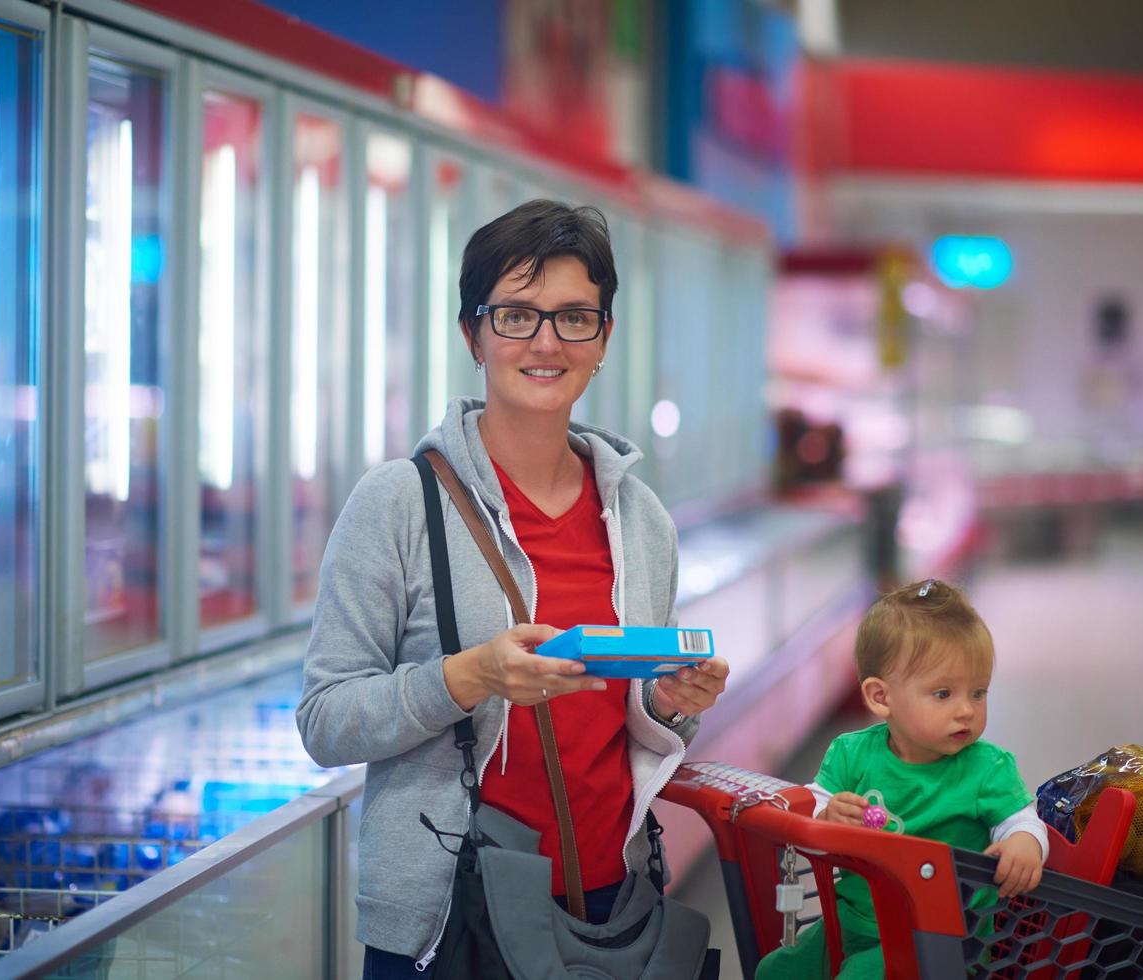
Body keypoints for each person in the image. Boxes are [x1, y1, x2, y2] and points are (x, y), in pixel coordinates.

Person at [297, 200, 730, 979]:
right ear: (473, 334)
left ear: (602, 338)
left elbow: (629, 722)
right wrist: (471, 677)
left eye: (573, 318)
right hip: (448, 917)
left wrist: (670, 704)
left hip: (606, 905)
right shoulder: (398, 503)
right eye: (515, 316)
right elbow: (326, 721)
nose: (544, 342)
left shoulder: (639, 518)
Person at [756, 578, 1047, 980]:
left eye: (978, 693)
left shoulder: (987, 768)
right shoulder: (851, 754)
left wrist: (1024, 842)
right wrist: (826, 816)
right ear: (881, 697)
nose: (966, 710)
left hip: (940, 939)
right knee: (775, 972)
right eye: (944, 694)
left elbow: (1021, 819)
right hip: (849, 920)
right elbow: (809, 806)